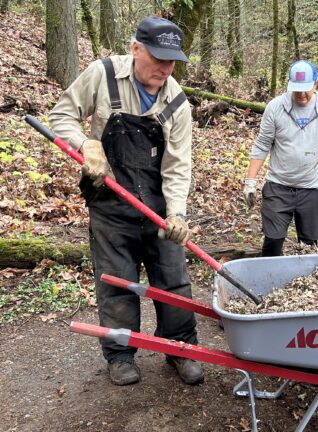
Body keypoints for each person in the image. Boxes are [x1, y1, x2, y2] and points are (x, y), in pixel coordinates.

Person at [49, 16, 203, 386]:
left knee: (174, 282)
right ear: (136, 49)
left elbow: (178, 167)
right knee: (117, 283)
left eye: (172, 62)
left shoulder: (177, 102)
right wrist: (85, 143)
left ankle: (181, 349)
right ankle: (120, 355)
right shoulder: (101, 75)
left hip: (157, 207)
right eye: (157, 58)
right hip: (110, 204)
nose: (165, 69)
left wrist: (177, 213)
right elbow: (61, 115)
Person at [243, 60, 318, 256]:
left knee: (309, 246)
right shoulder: (275, 108)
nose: (301, 95)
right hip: (279, 185)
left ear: (316, 84)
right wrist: (250, 181)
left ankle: (303, 283)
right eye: (296, 90)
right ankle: (267, 278)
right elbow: (262, 144)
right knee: (272, 240)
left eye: (306, 90)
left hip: (313, 188)